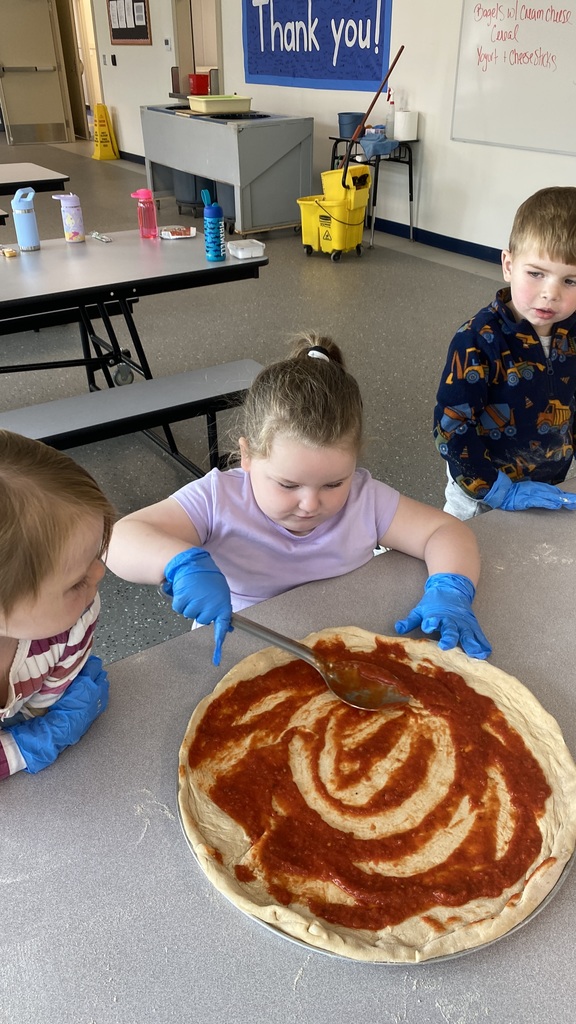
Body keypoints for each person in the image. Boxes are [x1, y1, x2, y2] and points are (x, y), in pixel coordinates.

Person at [106, 333, 491, 666]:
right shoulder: (218, 499)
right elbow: (120, 539)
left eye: (333, 484)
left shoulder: (363, 500)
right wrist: (178, 563)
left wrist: (450, 589)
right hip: (238, 652)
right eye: (287, 485)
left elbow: (445, 531)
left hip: (341, 649)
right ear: (248, 457)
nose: (310, 504)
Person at [434, 185, 576, 520]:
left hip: (547, 482)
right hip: (479, 493)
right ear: (509, 265)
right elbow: (451, 427)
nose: (550, 294)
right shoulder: (477, 340)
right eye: (536, 273)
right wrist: (495, 489)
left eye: (571, 281)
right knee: (461, 546)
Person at [0, 430, 115, 780]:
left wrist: (48, 708)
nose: (101, 573)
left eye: (98, 554)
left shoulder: (71, 623)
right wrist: (22, 748)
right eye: (77, 581)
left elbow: (44, 707)